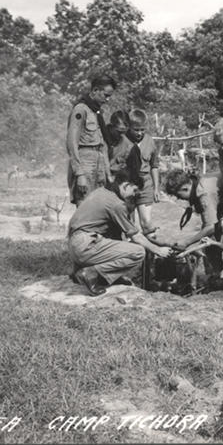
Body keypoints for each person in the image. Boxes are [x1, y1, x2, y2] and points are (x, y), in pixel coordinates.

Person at [67, 168, 171, 296]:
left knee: (115, 231)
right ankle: (91, 273)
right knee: (138, 252)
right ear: (126, 185)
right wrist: (158, 250)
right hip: (85, 246)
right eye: (134, 190)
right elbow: (136, 236)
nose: (134, 195)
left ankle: (98, 275)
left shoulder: (101, 192)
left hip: (74, 246)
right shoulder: (116, 204)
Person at [163, 169, 223, 274]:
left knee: (217, 239)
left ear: (185, 188)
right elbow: (207, 222)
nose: (178, 199)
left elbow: (211, 227)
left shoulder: (204, 193)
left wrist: (186, 242)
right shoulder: (195, 182)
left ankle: (218, 276)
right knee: (208, 238)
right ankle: (214, 274)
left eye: (178, 195)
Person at [66, 76, 115, 206]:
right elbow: (72, 144)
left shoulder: (96, 112)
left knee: (97, 212)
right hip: (85, 164)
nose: (107, 99)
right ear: (95, 90)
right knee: (84, 213)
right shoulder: (80, 110)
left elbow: (102, 146)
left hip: (99, 165)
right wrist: (80, 174)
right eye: (105, 95)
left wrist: (107, 173)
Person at [112, 109, 161, 236]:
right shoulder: (122, 141)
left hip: (145, 184)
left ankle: (152, 253)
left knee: (147, 223)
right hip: (127, 185)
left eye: (142, 130)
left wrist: (156, 188)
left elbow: (154, 165)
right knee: (129, 224)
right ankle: (134, 253)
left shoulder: (149, 141)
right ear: (129, 127)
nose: (139, 133)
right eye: (136, 130)